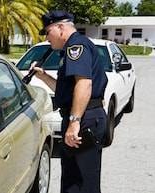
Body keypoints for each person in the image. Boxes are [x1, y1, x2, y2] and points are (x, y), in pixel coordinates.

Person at [33, 10, 108, 193]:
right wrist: (43, 76)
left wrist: (74, 123)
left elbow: (84, 84)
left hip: (83, 120)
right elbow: (67, 89)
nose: (47, 38)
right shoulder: (70, 48)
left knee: (83, 182)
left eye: (48, 32)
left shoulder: (76, 46)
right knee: (72, 180)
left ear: (60, 28)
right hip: (82, 117)